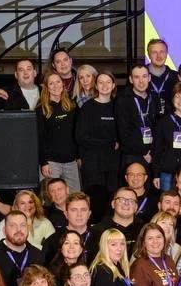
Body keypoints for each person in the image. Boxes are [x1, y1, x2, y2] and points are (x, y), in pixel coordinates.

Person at [76, 71, 121, 209]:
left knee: (112, 200)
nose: (104, 85)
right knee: (95, 201)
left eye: (108, 82)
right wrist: (108, 143)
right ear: (96, 85)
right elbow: (81, 137)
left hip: (113, 163)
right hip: (93, 164)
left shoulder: (118, 106)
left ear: (113, 85)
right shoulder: (88, 107)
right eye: (101, 82)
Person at [0, 209, 46, 286]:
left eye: (23, 225)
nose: (19, 230)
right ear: (4, 230)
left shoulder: (38, 255)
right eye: (13, 226)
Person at [36, 71, 80, 192]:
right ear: (46, 87)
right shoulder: (41, 108)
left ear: (63, 84)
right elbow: (40, 137)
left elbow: (76, 133)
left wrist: (78, 156)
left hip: (71, 161)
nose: (55, 86)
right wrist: (43, 162)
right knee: (50, 198)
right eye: (51, 83)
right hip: (51, 162)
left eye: (58, 82)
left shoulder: (72, 105)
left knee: (74, 197)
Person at [116, 62, 160, 171]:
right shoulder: (122, 100)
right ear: (131, 79)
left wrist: (152, 151)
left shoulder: (154, 98)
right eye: (136, 77)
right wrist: (143, 152)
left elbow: (158, 127)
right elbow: (123, 133)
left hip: (153, 154)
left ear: (149, 78)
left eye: (144, 76)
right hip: (132, 155)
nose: (141, 81)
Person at [154, 83, 181, 192]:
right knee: (168, 201)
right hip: (167, 173)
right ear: (172, 100)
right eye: (177, 96)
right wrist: (156, 174)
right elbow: (157, 149)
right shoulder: (163, 121)